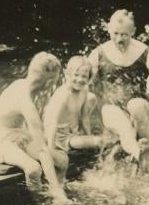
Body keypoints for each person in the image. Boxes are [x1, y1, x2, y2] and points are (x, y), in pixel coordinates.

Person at [88, 9, 149, 162]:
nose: (119, 39)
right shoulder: (98, 54)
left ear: (133, 31)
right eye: (115, 34)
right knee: (114, 115)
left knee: (136, 105)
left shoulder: (145, 53)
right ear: (108, 28)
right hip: (112, 109)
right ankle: (137, 151)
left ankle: (148, 151)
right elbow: (82, 88)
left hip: (140, 108)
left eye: (124, 35)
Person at [0, 52, 71, 203]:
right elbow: (42, 149)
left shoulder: (21, 83)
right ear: (49, 81)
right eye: (55, 82)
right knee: (33, 169)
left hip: (18, 136)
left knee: (62, 160)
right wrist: (57, 190)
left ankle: (55, 192)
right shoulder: (25, 101)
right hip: (0, 144)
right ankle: (38, 203)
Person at [41, 56, 105, 189]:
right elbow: (52, 122)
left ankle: (95, 170)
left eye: (84, 76)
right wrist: (51, 151)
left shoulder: (84, 91)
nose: (80, 79)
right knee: (99, 141)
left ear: (89, 78)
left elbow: (84, 117)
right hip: (60, 137)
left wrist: (88, 136)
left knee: (92, 99)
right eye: (76, 75)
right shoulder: (63, 95)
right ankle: (99, 173)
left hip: (73, 133)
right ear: (67, 74)